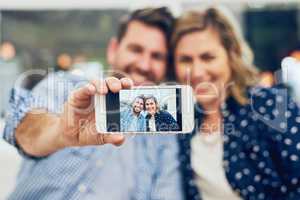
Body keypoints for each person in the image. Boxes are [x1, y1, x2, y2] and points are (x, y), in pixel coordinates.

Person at [3, 7, 183, 200]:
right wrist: (59, 131)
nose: (144, 65)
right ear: (113, 50)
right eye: (136, 49)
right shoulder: (66, 87)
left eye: (157, 56)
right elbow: (21, 127)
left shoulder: (163, 140)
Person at [172, 7, 300, 200]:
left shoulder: (271, 105)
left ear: (232, 55)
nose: (197, 71)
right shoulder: (182, 124)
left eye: (208, 57)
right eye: (185, 60)